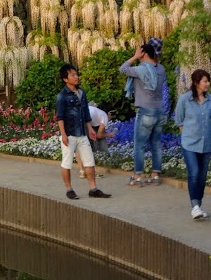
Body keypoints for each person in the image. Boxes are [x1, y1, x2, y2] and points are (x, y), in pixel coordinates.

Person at [55, 63, 110, 199]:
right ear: (65, 79)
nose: (76, 77)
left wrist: (90, 128)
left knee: (89, 161)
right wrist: (63, 134)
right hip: (69, 133)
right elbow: (60, 116)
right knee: (66, 163)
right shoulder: (62, 96)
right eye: (72, 75)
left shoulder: (82, 93)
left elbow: (86, 113)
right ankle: (69, 190)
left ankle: (93, 189)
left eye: (76, 74)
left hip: (83, 133)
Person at [120, 42, 168, 186]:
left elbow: (123, 69)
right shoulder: (161, 69)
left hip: (145, 110)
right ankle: (155, 176)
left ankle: (138, 176)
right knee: (156, 144)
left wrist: (134, 57)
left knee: (139, 145)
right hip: (160, 110)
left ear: (144, 54)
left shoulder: (141, 69)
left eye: (139, 52)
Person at [175, 69, 211, 220]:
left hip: (206, 143)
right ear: (196, 82)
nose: (207, 84)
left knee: (202, 176)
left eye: (208, 81)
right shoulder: (185, 99)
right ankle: (195, 206)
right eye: (205, 81)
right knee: (194, 173)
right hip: (189, 143)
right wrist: (186, 135)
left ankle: (198, 205)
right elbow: (179, 120)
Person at [77, 102, 113, 179]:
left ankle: (82, 171)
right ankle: (92, 172)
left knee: (78, 146)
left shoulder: (95, 110)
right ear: (109, 113)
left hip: (74, 117)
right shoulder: (104, 116)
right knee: (88, 147)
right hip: (82, 120)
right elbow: (99, 135)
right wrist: (109, 135)